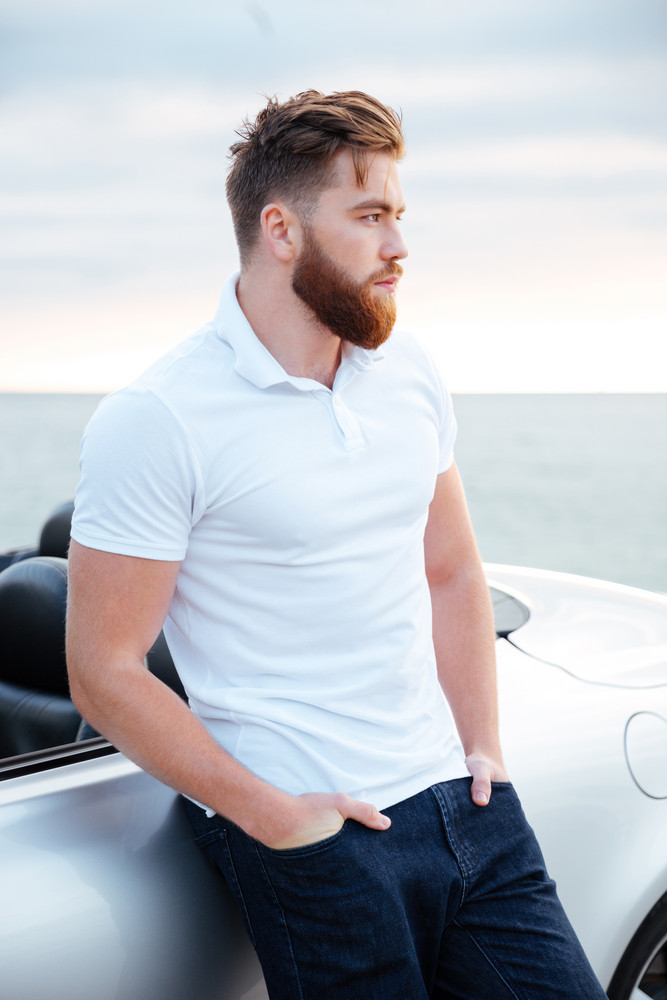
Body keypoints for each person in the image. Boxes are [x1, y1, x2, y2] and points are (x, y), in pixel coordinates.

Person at [66, 90, 607, 999]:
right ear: (280, 229)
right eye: (368, 217)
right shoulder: (157, 419)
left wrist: (483, 748)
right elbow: (103, 668)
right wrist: (271, 819)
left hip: (465, 807)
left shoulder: (410, 373)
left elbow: (449, 569)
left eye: (398, 216)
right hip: (314, 837)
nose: (398, 248)